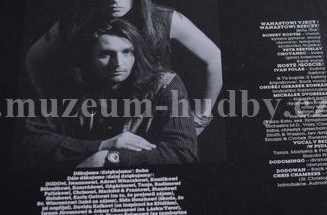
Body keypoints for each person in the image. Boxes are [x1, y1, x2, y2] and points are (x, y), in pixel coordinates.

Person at [25, 0, 222, 134]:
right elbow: (34, 59)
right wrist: (53, 112)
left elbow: (215, 58)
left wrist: (200, 119)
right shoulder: (77, 23)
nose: (115, 0)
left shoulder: (164, 19)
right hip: (96, 121)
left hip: (153, 119)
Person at [23, 19, 198, 168]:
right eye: (106, 54)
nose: (118, 63)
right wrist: (101, 146)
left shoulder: (166, 84)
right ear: (89, 57)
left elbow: (183, 153)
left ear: (137, 54)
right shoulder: (68, 84)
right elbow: (32, 140)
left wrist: (108, 158)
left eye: (127, 52)